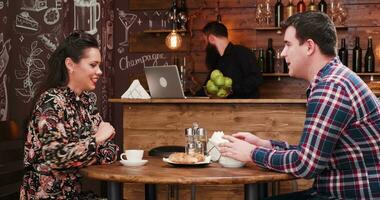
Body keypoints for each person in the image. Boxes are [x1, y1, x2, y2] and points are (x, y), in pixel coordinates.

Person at [219, 11, 380, 199]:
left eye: (288, 44)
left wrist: (252, 153)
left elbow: (306, 165)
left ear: (309, 46)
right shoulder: (334, 79)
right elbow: (313, 154)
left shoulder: (331, 87)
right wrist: (266, 145)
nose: (282, 52)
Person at [20, 31, 119, 199]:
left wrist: (93, 147)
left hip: (73, 194)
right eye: (93, 65)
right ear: (70, 65)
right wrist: (96, 140)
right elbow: (55, 157)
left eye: (99, 65)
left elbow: (110, 151)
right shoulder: (51, 102)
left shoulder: (85, 101)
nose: (100, 71)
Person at [200, 21, 263, 98]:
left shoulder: (242, 52)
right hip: (222, 109)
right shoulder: (216, 60)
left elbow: (256, 79)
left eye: (204, 42)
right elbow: (206, 88)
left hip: (245, 108)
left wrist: (231, 89)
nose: (204, 47)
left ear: (211, 38)